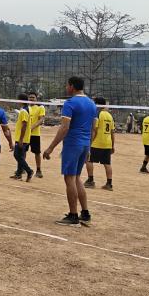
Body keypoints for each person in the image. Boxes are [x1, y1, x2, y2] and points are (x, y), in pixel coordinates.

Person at [43, 76, 96, 226]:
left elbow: (64, 127)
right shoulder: (92, 104)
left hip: (73, 144)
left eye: (67, 85)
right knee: (77, 177)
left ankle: (73, 216)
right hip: (84, 144)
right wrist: (89, 147)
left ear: (72, 86)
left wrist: (50, 147)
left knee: (69, 179)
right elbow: (93, 129)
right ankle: (85, 213)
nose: (66, 88)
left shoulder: (70, 103)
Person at [84, 96, 115, 191]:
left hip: (97, 143)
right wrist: (112, 145)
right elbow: (112, 132)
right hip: (107, 143)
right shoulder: (109, 116)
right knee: (107, 163)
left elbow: (95, 130)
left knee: (88, 160)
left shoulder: (97, 114)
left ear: (97, 104)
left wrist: (90, 142)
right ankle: (109, 184)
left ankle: (90, 181)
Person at [10, 93, 33, 181]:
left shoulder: (24, 111)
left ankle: (29, 171)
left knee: (17, 155)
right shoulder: (27, 109)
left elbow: (24, 125)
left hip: (22, 138)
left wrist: (20, 139)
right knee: (20, 155)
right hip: (25, 137)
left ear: (20, 100)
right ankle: (19, 174)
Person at [27, 92, 46, 178]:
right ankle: (21, 169)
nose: (31, 99)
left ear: (36, 99)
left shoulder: (40, 108)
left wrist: (31, 127)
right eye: (30, 97)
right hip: (25, 134)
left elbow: (41, 120)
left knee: (37, 152)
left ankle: (38, 170)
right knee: (22, 151)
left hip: (35, 134)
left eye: (33, 97)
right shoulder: (25, 108)